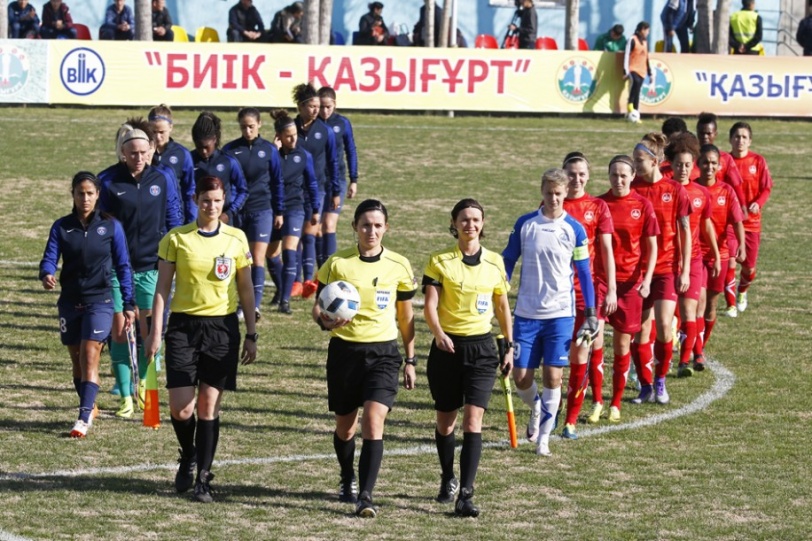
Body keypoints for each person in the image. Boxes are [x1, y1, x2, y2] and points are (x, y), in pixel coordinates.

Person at [145, 175, 257, 504]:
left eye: (217, 201)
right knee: (181, 409)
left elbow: (246, 289)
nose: (211, 206)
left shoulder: (236, 239)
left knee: (208, 406)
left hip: (222, 329)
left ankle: (204, 480)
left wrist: (251, 333)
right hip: (183, 328)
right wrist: (155, 332)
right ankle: (189, 454)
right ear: (196, 200)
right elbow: (163, 289)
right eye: (206, 200)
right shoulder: (176, 239)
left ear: (224, 202)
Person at [311, 199, 416, 518]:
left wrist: (410, 360)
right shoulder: (337, 263)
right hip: (345, 353)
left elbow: (406, 316)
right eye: (366, 225)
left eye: (378, 225)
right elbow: (318, 306)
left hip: (383, 353)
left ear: (386, 229)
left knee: (373, 421)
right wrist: (324, 321)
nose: (372, 230)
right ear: (355, 227)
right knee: (345, 428)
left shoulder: (399, 265)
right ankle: (347, 477)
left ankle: (366, 496)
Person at [423, 199, 513, 517]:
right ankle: (448, 476)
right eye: (464, 219)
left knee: (473, 421)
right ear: (454, 223)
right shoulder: (439, 261)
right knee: (446, 422)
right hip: (446, 349)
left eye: (476, 219)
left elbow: (501, 307)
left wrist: (508, 344)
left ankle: (466, 493)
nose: (470, 224)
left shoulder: (494, 263)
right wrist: (438, 333)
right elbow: (430, 305)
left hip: (482, 350)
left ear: (483, 223)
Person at [503, 168, 598, 457]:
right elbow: (508, 257)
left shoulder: (575, 230)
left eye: (558, 193)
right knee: (520, 377)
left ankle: (544, 438)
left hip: (560, 315)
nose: (553, 198)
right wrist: (503, 284)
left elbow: (584, 272)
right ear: (541, 193)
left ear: (566, 193)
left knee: (553, 378)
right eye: (548, 193)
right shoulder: (525, 224)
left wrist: (591, 312)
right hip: (527, 314)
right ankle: (536, 408)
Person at [39, 172, 135, 438]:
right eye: (80, 193)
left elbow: (123, 265)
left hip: (100, 301)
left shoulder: (111, 226)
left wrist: (128, 302)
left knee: (90, 354)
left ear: (97, 195)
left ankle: (82, 418)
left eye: (90, 193)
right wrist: (47, 273)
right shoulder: (61, 226)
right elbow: (49, 257)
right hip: (70, 301)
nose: (85, 198)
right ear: (73, 195)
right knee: (77, 360)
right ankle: (90, 404)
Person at [98, 127, 182, 418]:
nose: (138, 158)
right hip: (117, 270)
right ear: (122, 152)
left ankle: (148, 396)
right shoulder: (107, 181)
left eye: (143, 153)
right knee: (120, 332)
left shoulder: (163, 178)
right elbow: (100, 225)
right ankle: (125, 398)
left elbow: (174, 218)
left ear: (151, 152)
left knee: (150, 334)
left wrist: (176, 254)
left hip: (151, 269)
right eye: (132, 153)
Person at [630, 133, 691, 406]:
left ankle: (660, 380)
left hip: (666, 268)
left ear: (654, 161)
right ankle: (644, 386)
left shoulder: (676, 190)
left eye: (639, 160)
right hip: (637, 271)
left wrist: (686, 270)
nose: (635, 164)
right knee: (639, 332)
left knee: (665, 325)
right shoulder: (632, 188)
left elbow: (686, 232)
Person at [596, 156, 659, 422]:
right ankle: (597, 400)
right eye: (614, 175)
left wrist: (646, 279)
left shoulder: (642, 206)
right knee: (594, 342)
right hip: (600, 282)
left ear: (633, 176)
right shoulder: (600, 204)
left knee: (623, 347)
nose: (618, 180)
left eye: (623, 175)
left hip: (630, 285)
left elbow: (652, 246)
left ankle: (616, 402)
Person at [558, 153, 616, 438]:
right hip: (556, 297)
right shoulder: (552, 206)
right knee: (556, 359)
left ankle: (571, 420)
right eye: (571, 173)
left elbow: (606, 251)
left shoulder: (598, 206)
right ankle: (553, 407)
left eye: (581, 174)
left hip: (587, 297)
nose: (576, 179)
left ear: (588, 176)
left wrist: (611, 289)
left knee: (581, 355)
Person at [662, 133, 720, 378]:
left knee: (690, 312)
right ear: (671, 165)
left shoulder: (700, 193)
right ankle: (689, 354)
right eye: (678, 164)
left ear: (693, 165)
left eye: (687, 165)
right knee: (668, 316)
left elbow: (707, 225)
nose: (683, 169)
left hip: (694, 260)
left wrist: (716, 254)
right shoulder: (665, 191)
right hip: (667, 261)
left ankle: (685, 360)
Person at [222, 108, 285, 320]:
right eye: (243, 127)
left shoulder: (269, 150)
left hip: (262, 210)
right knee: (241, 260)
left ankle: (253, 306)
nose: (247, 130)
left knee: (257, 257)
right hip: (238, 212)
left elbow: (277, 182)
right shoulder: (230, 150)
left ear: (259, 125)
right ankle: (238, 302)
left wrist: (279, 211)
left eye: (251, 126)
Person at [695, 144, 745, 369]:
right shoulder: (690, 189)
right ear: (698, 164)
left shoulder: (726, 191)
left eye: (713, 163)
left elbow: (736, 221)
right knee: (697, 302)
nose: (709, 167)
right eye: (705, 162)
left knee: (711, 306)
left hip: (721, 256)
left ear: (719, 165)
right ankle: (695, 352)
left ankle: (700, 346)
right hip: (696, 255)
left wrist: (741, 246)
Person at [266, 109, 320, 314]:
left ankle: (285, 301)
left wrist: (315, 209)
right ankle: (281, 290)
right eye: (288, 136)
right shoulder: (271, 155)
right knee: (271, 254)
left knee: (290, 251)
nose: (293, 139)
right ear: (278, 136)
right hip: (272, 209)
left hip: (295, 208)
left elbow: (312, 183)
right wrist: (272, 150)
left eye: (295, 135)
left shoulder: (303, 156)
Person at [291, 82, 339, 299]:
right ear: (300, 107)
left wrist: (336, 190)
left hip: (316, 189)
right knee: (294, 236)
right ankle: (296, 280)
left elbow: (333, 163)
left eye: (318, 106)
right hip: (292, 190)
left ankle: (308, 281)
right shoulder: (289, 129)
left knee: (309, 233)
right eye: (311, 106)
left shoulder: (326, 131)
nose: (316, 111)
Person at [728, 121, 772, 314]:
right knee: (728, 261)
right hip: (728, 223)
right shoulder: (724, 162)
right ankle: (730, 305)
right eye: (737, 136)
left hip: (751, 223)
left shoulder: (758, 161)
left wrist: (758, 203)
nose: (740, 140)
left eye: (744, 137)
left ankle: (742, 290)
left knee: (749, 269)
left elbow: (767, 187)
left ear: (750, 141)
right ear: (730, 139)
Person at [318, 86, 359, 266]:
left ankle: (329, 269)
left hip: (338, 181)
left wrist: (354, 180)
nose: (324, 111)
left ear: (334, 104)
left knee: (329, 224)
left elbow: (351, 151)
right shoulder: (312, 124)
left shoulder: (342, 123)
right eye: (321, 107)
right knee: (316, 229)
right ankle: (318, 273)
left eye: (328, 106)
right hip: (316, 182)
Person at [190, 112, 249, 225]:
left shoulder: (228, 161)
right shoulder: (189, 161)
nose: (203, 151)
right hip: (196, 222)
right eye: (199, 147)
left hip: (224, 223)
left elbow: (243, 191)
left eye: (207, 147)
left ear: (215, 139)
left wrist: (229, 214)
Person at [148, 105, 195, 223]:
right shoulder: (142, 153)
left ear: (171, 127)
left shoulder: (182, 154)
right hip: (148, 217)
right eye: (154, 132)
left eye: (162, 132)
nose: (158, 137)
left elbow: (189, 190)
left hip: (173, 218)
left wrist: (192, 220)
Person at [623, 21, 651, 122]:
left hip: (642, 70)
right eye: (647, 30)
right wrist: (625, 71)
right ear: (642, 29)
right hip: (632, 69)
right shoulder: (632, 39)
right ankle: (630, 107)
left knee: (638, 91)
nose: (648, 32)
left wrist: (650, 73)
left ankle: (635, 113)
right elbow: (626, 55)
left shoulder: (645, 42)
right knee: (634, 85)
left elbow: (647, 57)